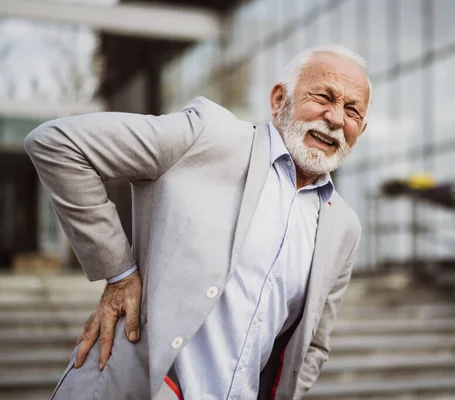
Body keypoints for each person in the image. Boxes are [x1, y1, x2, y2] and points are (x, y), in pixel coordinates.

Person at [25, 44, 371, 400]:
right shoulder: (208, 135)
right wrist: (119, 273)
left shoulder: (343, 226)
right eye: (323, 97)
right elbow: (57, 144)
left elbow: (313, 344)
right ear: (279, 98)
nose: (335, 118)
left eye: (352, 111)